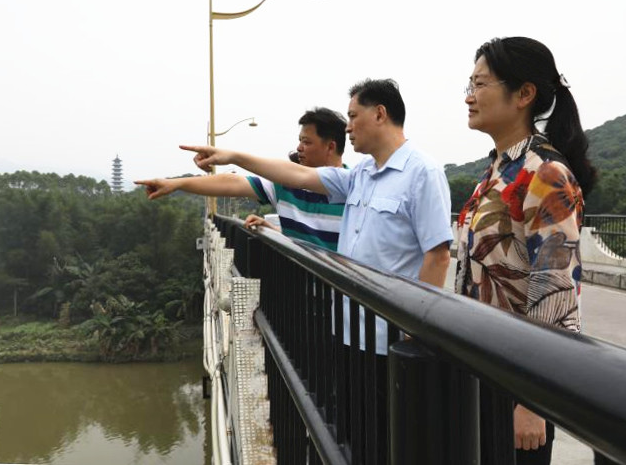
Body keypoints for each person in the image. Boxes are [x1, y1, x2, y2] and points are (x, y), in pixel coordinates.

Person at [180, 78, 453, 464]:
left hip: (389, 340)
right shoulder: (361, 175)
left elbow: (438, 255)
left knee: (387, 438)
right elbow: (296, 175)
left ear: (380, 114)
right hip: (349, 330)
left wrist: (414, 333)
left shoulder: (422, 172)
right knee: (354, 433)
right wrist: (234, 156)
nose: (348, 127)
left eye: (354, 116)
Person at [455, 37, 597, 464]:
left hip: (517, 385)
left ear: (524, 94)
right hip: (483, 369)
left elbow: (556, 291)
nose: (469, 96)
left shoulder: (546, 174)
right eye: (470, 84)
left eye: (480, 84)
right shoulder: (497, 170)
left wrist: (533, 401)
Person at [135, 107, 348, 251]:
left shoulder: (354, 188)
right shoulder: (286, 186)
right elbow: (233, 183)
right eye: (299, 141)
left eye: (306, 142)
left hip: (344, 301)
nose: (299, 148)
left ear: (330, 146)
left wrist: (233, 157)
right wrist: (176, 184)